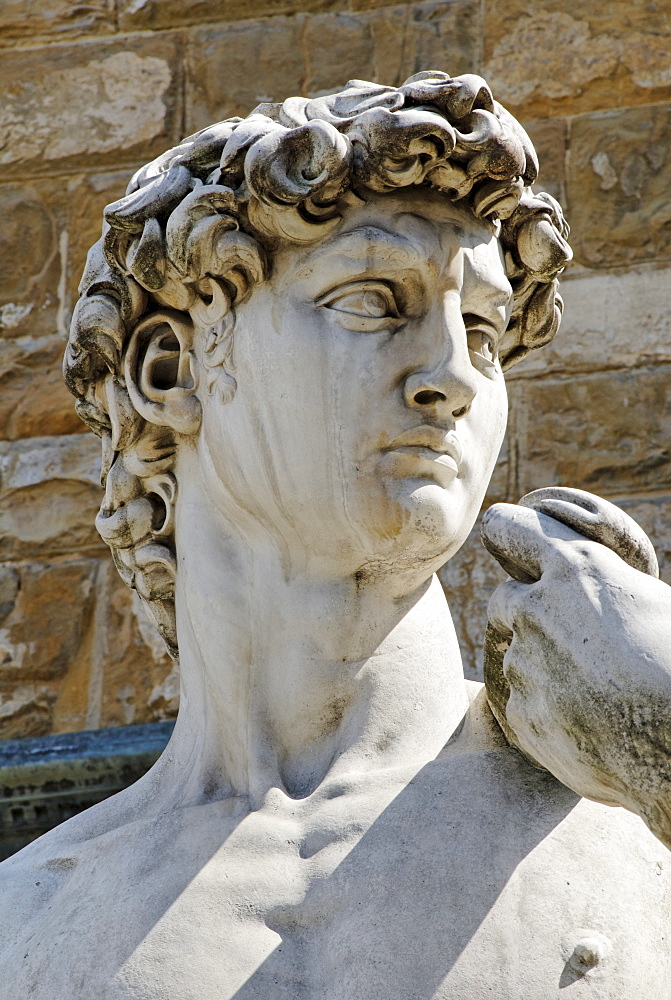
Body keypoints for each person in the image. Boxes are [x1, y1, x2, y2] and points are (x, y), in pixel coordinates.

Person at [1, 72, 669, 998]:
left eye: (480, 329)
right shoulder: (27, 925)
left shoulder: (631, 815)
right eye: (372, 301)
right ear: (173, 366)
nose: (450, 375)